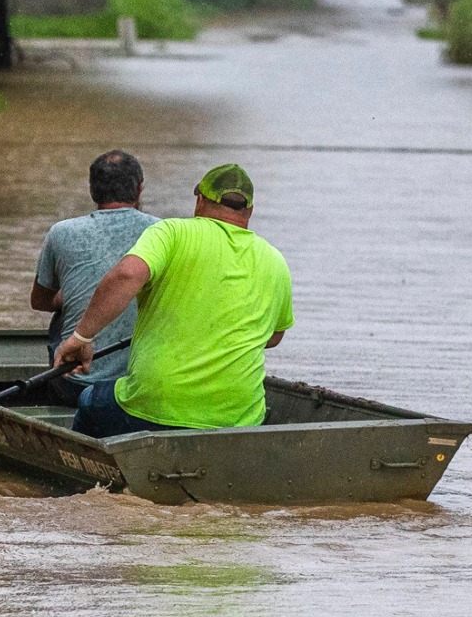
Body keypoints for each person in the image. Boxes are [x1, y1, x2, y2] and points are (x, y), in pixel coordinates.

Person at [54, 163, 294, 438]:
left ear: (200, 200)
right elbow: (273, 336)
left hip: (157, 404)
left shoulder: (171, 232)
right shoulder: (276, 260)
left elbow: (128, 274)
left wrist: (82, 338)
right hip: (239, 417)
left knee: (89, 399)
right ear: (249, 211)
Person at [31, 150, 159, 406]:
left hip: (73, 384)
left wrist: (74, 295)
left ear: (92, 190)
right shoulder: (163, 232)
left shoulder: (61, 232)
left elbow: (40, 301)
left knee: (61, 318)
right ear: (139, 189)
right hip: (140, 384)